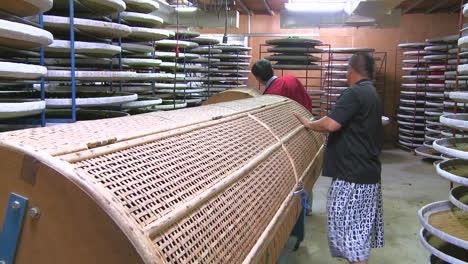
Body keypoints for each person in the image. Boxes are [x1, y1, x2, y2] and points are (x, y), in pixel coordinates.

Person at [294, 52, 384, 264]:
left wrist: (309, 124)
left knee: (352, 237)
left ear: (350, 71)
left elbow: (331, 124)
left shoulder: (354, 93)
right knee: (357, 234)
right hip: (366, 174)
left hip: (352, 177)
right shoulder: (372, 92)